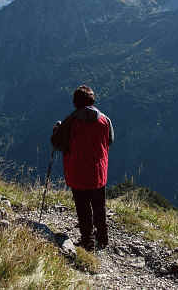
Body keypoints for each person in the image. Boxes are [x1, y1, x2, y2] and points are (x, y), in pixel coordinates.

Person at [51, 85, 114, 250]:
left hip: (77, 173)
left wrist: (56, 129)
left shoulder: (70, 122)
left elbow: (57, 143)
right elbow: (110, 140)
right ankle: (103, 238)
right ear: (92, 100)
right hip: (98, 172)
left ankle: (88, 240)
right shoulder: (105, 120)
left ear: (75, 102)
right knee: (99, 206)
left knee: (83, 208)